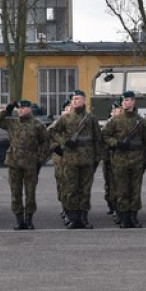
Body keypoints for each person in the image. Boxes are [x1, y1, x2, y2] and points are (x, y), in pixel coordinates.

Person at [0, 99, 50, 230]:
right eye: (19, 108)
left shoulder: (37, 124)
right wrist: (7, 110)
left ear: (29, 109)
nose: (21, 110)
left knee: (30, 192)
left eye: (24, 108)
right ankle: (19, 219)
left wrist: (40, 160)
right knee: (15, 192)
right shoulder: (12, 122)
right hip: (14, 162)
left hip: (31, 162)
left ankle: (29, 219)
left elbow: (46, 143)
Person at [48, 90, 103, 229]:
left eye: (78, 98)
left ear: (84, 101)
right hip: (70, 160)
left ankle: (83, 218)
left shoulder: (91, 119)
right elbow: (51, 131)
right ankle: (73, 219)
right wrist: (64, 142)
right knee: (71, 190)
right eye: (73, 99)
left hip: (87, 159)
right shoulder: (65, 118)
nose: (75, 101)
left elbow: (97, 139)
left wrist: (97, 158)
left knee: (85, 190)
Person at [102, 90, 146, 229]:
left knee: (135, 190)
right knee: (122, 190)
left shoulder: (140, 121)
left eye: (128, 100)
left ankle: (133, 217)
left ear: (133, 102)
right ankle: (124, 217)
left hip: (137, 160)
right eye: (123, 100)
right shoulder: (115, 120)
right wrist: (116, 143)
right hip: (120, 160)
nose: (125, 102)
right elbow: (104, 136)